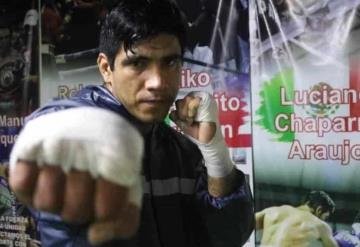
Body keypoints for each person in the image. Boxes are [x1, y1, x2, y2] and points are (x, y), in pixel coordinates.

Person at [8, 0, 254, 246]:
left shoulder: (179, 150)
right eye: (138, 63)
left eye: (170, 62)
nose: (157, 82)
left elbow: (227, 236)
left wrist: (215, 152)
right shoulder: (69, 135)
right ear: (106, 68)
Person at [255, 190, 338, 247]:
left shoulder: (272, 211)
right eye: (325, 217)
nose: (324, 220)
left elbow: (243, 223)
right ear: (319, 210)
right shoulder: (320, 225)